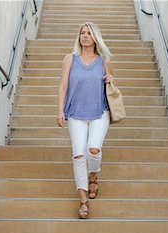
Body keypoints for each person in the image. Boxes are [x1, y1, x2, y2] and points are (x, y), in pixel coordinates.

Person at [56, 22, 114, 219]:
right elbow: (63, 86)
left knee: (94, 150)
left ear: (95, 37)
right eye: (82, 33)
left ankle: (93, 176)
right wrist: (60, 111)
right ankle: (83, 202)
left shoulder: (104, 60)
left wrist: (110, 80)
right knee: (79, 156)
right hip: (75, 114)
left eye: (89, 33)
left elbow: (111, 87)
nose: (85, 36)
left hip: (100, 112)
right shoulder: (69, 59)